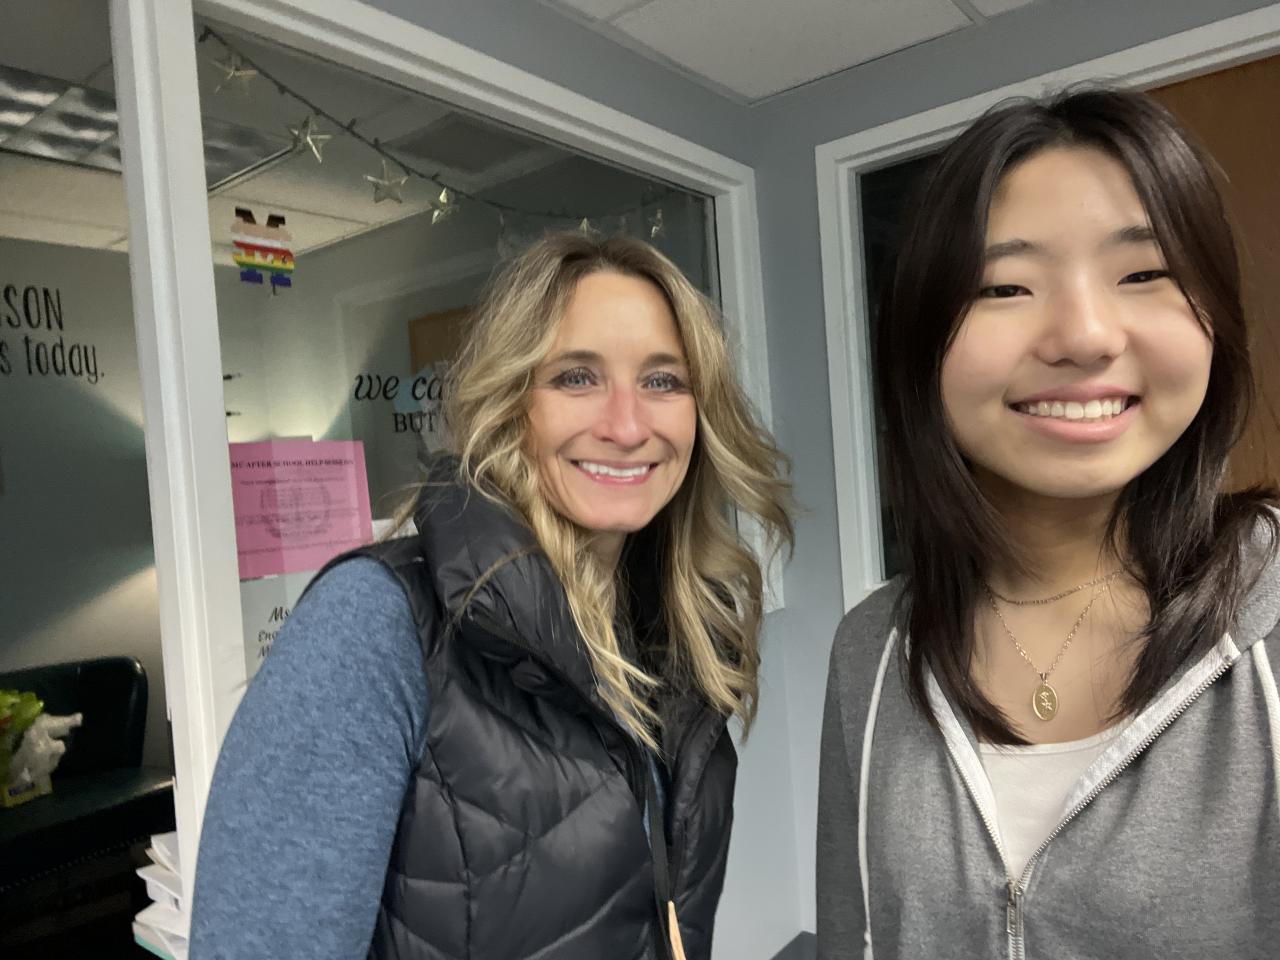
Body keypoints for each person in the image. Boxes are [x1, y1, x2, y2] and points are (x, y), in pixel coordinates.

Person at [190, 231, 793, 960]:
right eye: (576, 377)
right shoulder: (376, 623)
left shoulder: (664, 631)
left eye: (663, 380)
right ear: (510, 401)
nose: (628, 425)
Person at [817, 86, 1280, 959]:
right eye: (1005, 285)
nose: (1085, 335)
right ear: (920, 340)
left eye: (1142, 273)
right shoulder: (870, 652)